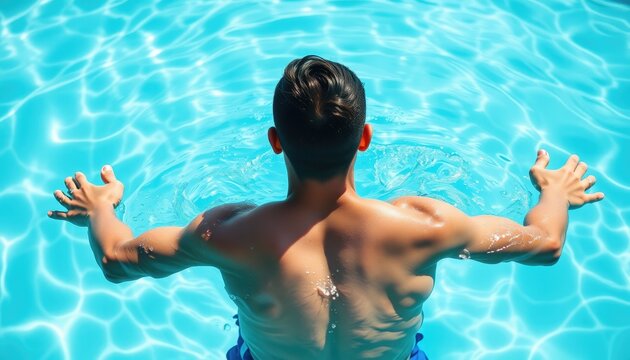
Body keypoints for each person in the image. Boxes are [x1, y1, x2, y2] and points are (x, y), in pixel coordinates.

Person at [48, 55, 604, 360]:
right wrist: (553, 192)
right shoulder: (426, 226)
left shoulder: (229, 233)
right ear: (364, 139)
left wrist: (101, 205)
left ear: (274, 140)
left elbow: (118, 261)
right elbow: (545, 246)